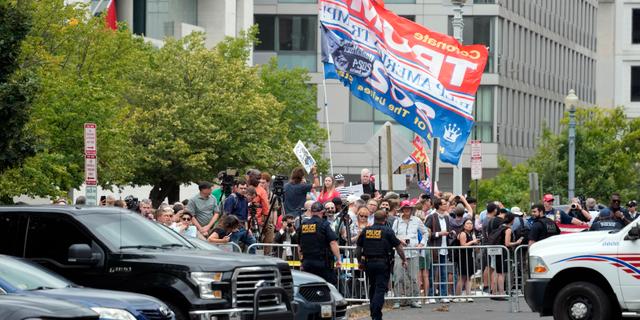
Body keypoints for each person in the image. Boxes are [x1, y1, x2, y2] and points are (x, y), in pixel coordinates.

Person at [355, 210, 407, 320]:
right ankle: (376, 315)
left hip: (369, 264)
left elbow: (358, 248)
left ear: (374, 218)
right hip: (382, 263)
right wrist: (404, 259)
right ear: (386, 218)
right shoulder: (388, 231)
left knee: (373, 287)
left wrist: (359, 262)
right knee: (380, 289)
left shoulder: (366, 230)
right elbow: (398, 246)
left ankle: (373, 312)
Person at [391, 200, 427, 308]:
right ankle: (397, 300)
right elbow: (392, 235)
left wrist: (421, 244)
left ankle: (414, 300)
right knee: (398, 277)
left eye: (409, 208)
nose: (407, 210)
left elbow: (425, 233)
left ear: (411, 210)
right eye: (405, 208)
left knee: (414, 278)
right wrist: (399, 240)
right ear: (402, 210)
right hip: (399, 253)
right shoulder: (396, 221)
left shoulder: (417, 220)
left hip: (413, 253)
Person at [298, 202, 342, 285]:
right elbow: (333, 242)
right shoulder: (324, 224)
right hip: (322, 263)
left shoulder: (303, 225)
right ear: (322, 212)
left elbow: (299, 246)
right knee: (328, 286)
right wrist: (339, 259)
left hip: (307, 263)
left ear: (311, 212)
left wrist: (301, 261)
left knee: (310, 287)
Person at [425, 198, 454, 303]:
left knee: (443, 272)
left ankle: (443, 295)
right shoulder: (431, 217)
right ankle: (431, 295)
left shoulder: (446, 218)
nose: (446, 205)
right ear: (439, 206)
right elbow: (426, 233)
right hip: (434, 249)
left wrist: (451, 233)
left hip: (444, 248)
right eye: (444, 204)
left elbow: (448, 231)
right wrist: (439, 233)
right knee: (432, 273)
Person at [223, 178, 256, 248]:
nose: (243, 190)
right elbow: (226, 216)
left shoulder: (245, 199)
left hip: (243, 228)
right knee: (234, 248)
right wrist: (232, 228)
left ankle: (252, 259)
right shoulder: (231, 198)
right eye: (241, 188)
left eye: (245, 188)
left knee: (253, 242)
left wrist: (248, 229)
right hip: (234, 229)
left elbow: (245, 217)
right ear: (236, 188)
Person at [454, 219, 479, 302]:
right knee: (462, 277)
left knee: (469, 277)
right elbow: (463, 245)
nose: (470, 225)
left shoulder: (471, 234)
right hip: (463, 257)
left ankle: (468, 295)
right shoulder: (463, 234)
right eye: (468, 223)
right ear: (464, 225)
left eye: (471, 223)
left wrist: (476, 244)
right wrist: (472, 241)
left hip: (470, 256)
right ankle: (457, 296)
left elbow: (473, 247)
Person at [246, 169, 273, 246]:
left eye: (260, 178)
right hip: (244, 220)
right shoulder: (244, 187)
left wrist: (263, 221)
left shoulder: (262, 191)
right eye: (257, 178)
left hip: (256, 221)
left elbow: (266, 209)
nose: (259, 180)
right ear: (250, 177)